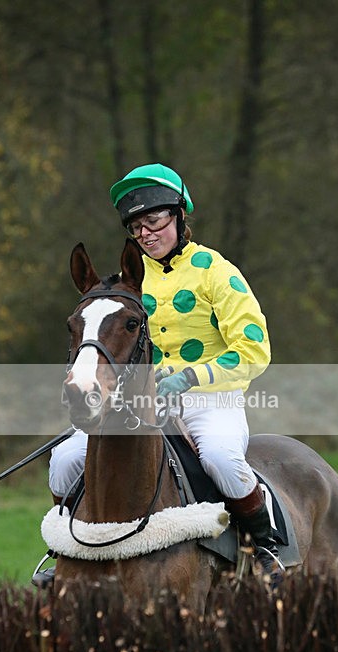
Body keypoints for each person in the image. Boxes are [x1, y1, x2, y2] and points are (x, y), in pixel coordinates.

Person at [48, 163, 284, 580]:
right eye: (137, 227)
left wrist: (189, 378)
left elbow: (254, 349)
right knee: (65, 459)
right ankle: (67, 552)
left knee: (222, 458)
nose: (146, 233)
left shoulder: (216, 271)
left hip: (210, 400)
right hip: (137, 404)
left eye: (154, 221)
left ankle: (263, 550)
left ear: (178, 215)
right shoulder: (127, 284)